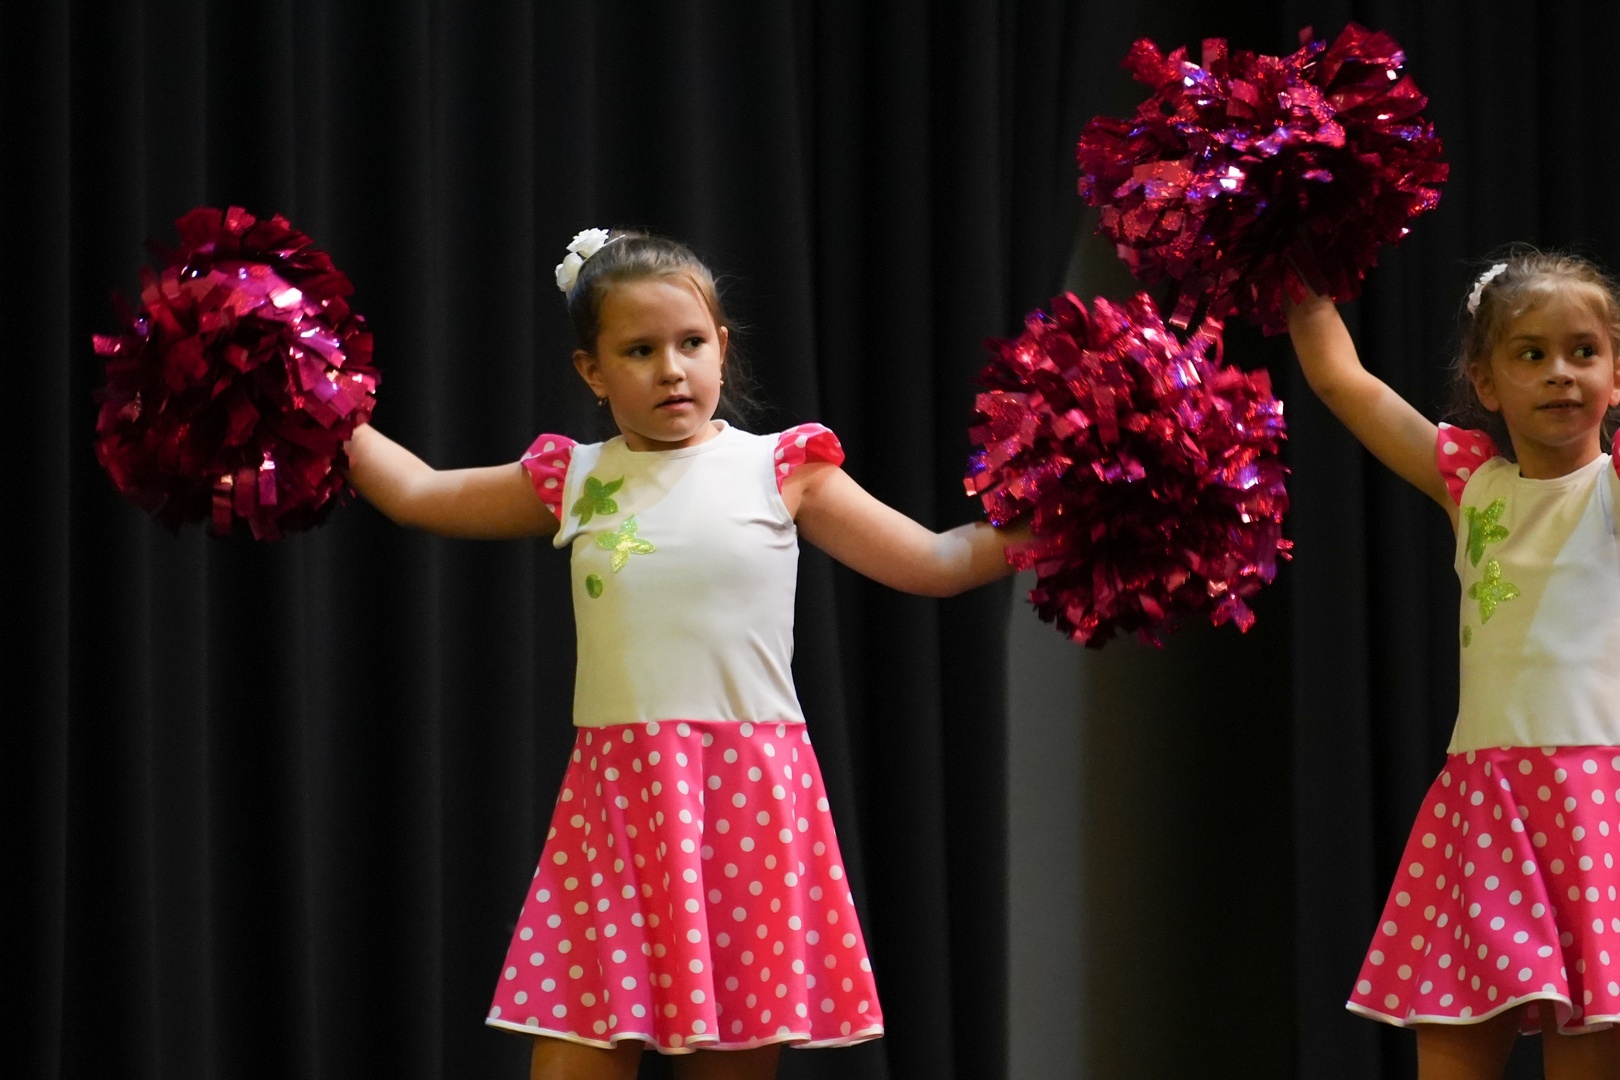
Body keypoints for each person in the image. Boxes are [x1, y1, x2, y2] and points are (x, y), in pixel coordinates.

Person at [344, 228, 1028, 1080]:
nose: (672, 369)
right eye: (639, 350)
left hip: (747, 798)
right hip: (614, 805)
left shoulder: (781, 469)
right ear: (593, 371)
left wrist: (1076, 516)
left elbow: (938, 560)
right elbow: (417, 493)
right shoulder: (574, 478)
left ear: (722, 348)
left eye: (691, 343)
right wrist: (314, 400)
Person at [1287, 250, 1620, 1079]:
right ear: (1485, 381)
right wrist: (1296, 260)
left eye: (1584, 352)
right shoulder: (1473, 484)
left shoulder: (1612, 489)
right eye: (1531, 354)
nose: (1561, 373)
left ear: (1616, 376)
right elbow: (1342, 383)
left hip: (1594, 807)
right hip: (1485, 805)